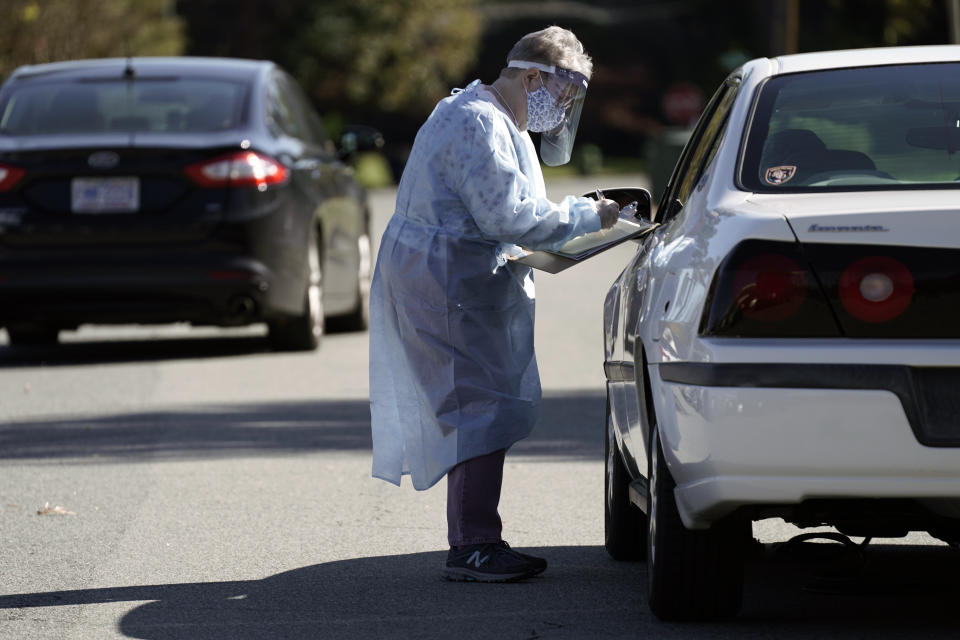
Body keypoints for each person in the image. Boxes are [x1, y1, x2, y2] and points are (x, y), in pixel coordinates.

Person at [369, 26, 619, 582]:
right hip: (448, 282)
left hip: (454, 275)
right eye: (563, 94)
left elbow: (514, 203)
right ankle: (474, 546)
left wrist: (580, 212)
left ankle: (476, 539)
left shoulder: (492, 116)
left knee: (481, 405)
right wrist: (588, 218)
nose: (564, 109)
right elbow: (508, 217)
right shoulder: (478, 121)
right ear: (532, 77)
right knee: (479, 409)